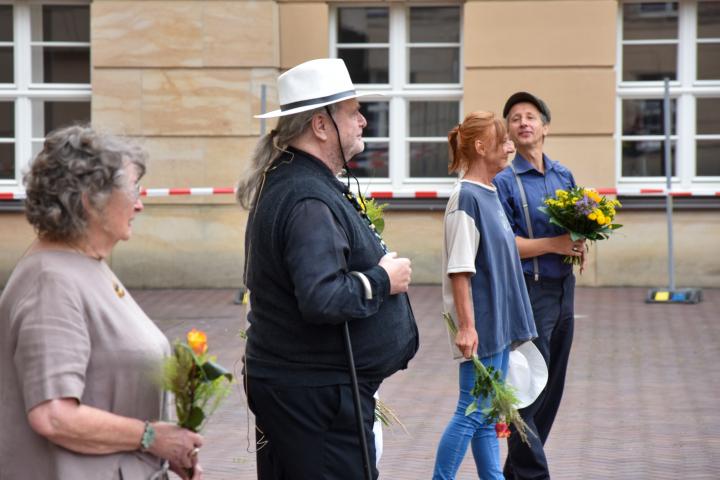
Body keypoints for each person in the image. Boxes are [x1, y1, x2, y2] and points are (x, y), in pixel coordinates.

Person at [238, 58, 418, 480]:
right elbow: (322, 297)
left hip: (309, 391)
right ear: (321, 125)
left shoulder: (297, 181)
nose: (362, 122)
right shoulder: (305, 197)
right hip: (316, 397)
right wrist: (382, 280)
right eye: (353, 112)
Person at [0, 125, 204, 480]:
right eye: (132, 190)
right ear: (88, 200)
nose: (139, 203)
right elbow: (53, 415)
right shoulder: (52, 281)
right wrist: (152, 438)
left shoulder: (86, 263)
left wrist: (167, 448)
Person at [433, 111, 537, 480]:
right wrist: (466, 327)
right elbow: (460, 269)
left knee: (487, 413)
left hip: (498, 322)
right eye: (503, 141)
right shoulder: (466, 198)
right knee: (471, 410)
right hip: (482, 325)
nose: (511, 147)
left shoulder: (489, 192)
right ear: (480, 147)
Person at [493, 92, 585, 479]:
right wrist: (555, 244)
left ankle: (517, 473)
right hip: (529, 294)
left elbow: (578, 226)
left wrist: (581, 240)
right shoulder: (504, 182)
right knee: (527, 392)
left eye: (531, 116)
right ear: (509, 133)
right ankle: (533, 475)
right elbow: (504, 245)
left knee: (551, 391)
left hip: (564, 290)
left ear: (545, 127)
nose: (523, 122)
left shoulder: (563, 175)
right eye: (515, 118)